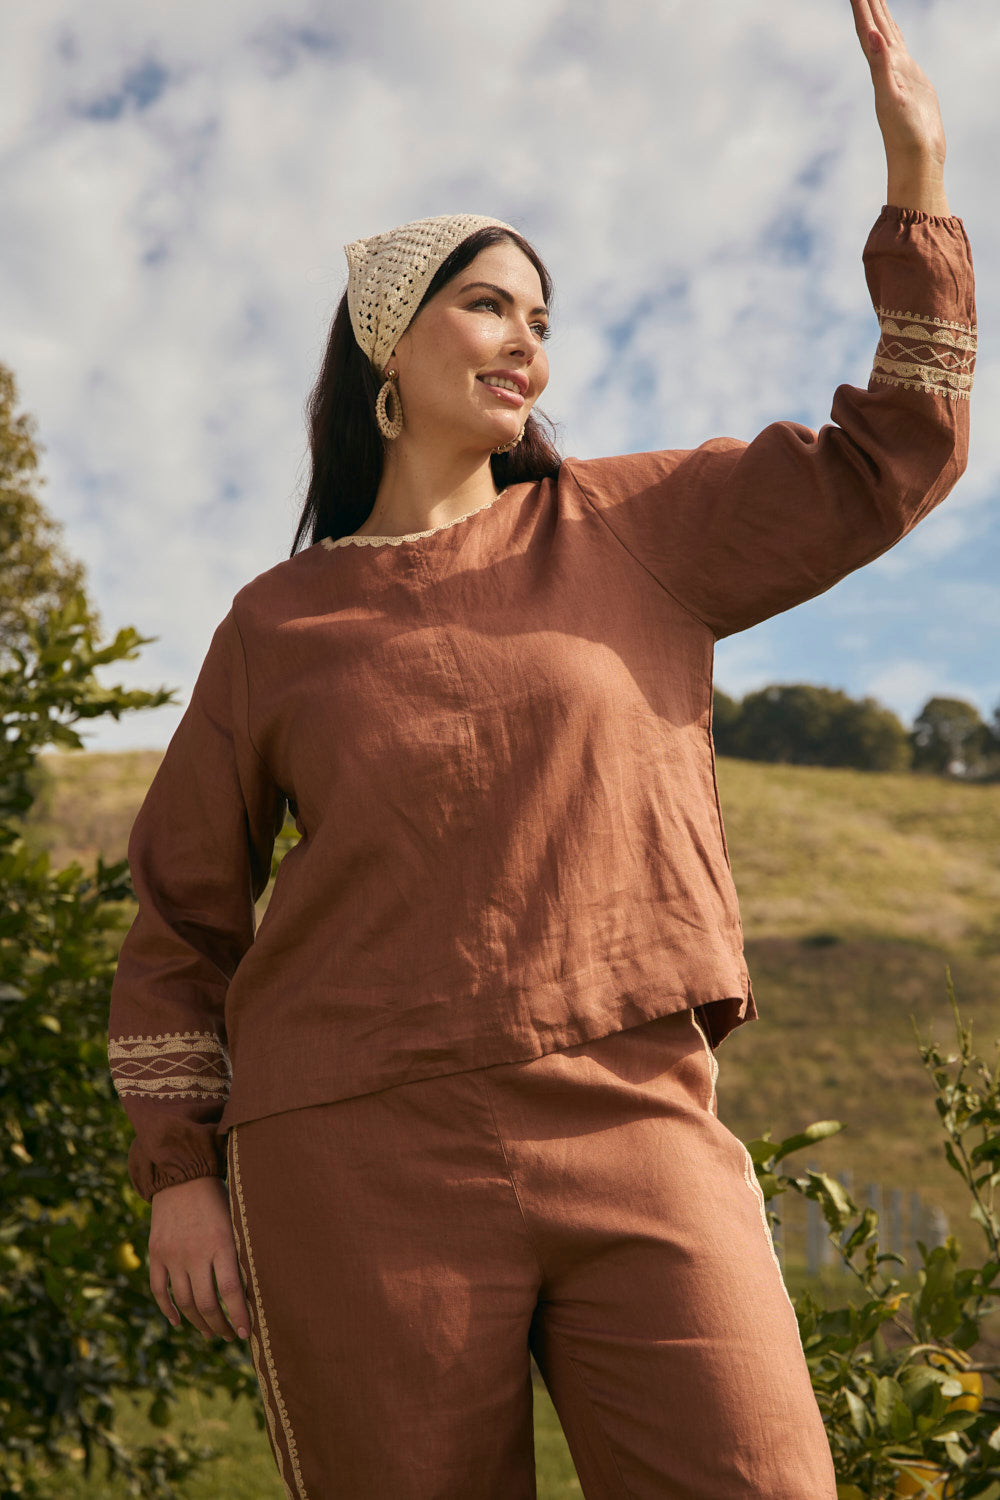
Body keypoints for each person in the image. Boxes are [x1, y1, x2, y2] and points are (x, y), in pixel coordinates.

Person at [107, 1, 976, 1495]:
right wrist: (182, 1175)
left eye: (545, 321)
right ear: (394, 338)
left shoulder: (632, 528)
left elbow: (891, 458)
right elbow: (184, 912)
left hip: (633, 1107)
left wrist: (920, 178)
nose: (530, 344)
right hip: (353, 1146)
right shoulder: (278, 622)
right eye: (493, 306)